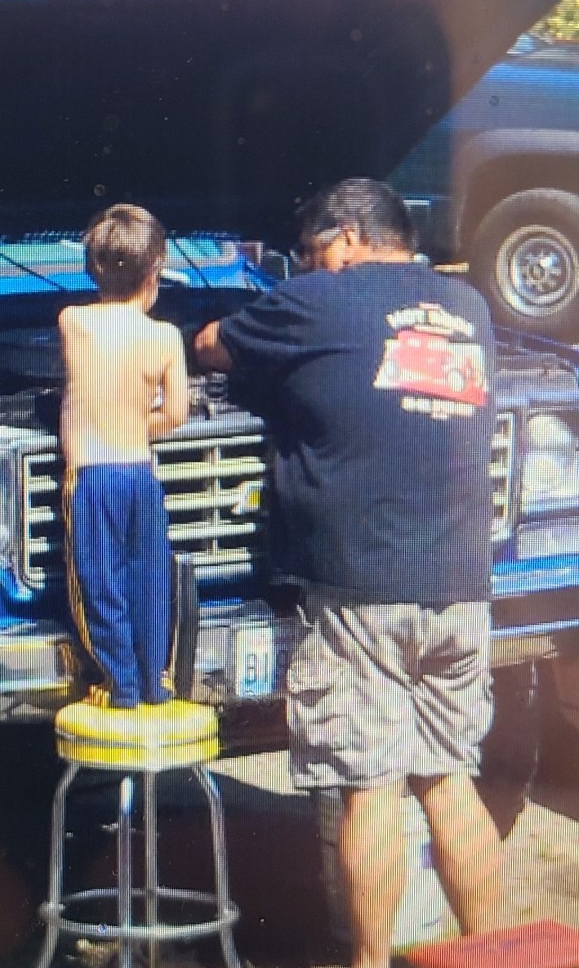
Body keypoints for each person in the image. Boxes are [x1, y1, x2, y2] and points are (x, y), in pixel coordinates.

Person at [194, 178, 502, 968]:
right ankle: (493, 952)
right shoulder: (469, 308)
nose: (304, 267)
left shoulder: (316, 301)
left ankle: (368, 962)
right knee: (448, 778)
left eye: (307, 253)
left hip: (362, 588)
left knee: (369, 788)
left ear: (348, 237)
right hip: (461, 585)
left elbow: (212, 346)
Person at [59, 202, 189, 709]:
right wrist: (139, 424)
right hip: (140, 471)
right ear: (155, 271)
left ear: (93, 268)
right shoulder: (165, 337)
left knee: (99, 581)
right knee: (149, 578)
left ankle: (121, 684)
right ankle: (155, 679)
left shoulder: (74, 322)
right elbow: (176, 413)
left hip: (92, 474)